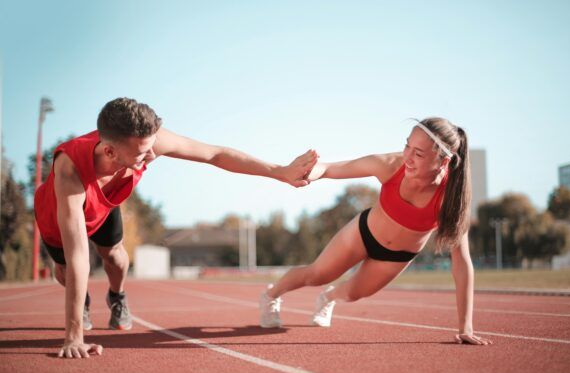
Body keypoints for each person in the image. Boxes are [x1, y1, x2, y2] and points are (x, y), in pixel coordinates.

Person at [34, 97, 318, 359]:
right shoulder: (70, 172)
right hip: (58, 214)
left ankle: (116, 297)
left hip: (104, 205)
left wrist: (279, 172)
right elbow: (78, 256)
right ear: (109, 151)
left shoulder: (148, 142)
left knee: (116, 258)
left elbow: (215, 154)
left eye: (150, 148)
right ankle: (81, 303)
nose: (151, 157)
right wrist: (74, 338)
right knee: (67, 271)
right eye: (142, 154)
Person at [259, 117, 492, 345]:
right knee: (317, 274)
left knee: (353, 294)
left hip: (397, 256)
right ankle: (271, 295)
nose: (407, 157)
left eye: (418, 154)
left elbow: (461, 261)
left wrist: (465, 328)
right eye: (407, 145)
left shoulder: (451, 197)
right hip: (363, 234)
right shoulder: (390, 165)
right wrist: (306, 173)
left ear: (443, 162)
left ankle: (327, 298)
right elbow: (330, 168)